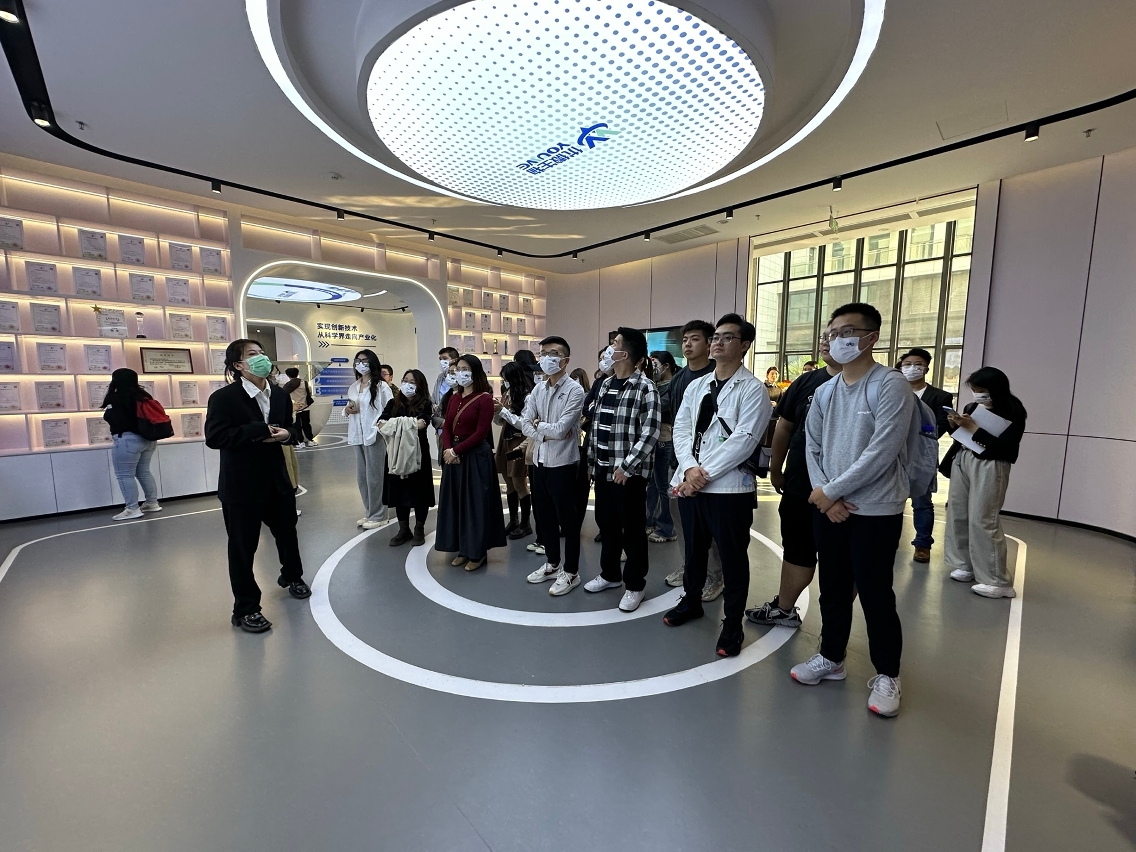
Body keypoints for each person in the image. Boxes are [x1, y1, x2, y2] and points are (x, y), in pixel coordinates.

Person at [793, 302, 913, 719]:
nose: (836, 339)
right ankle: (831, 657)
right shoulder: (826, 391)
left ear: (871, 337)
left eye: (847, 332)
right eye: (832, 332)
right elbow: (811, 445)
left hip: (876, 510)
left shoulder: (890, 385)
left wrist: (830, 491)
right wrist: (825, 494)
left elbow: (883, 450)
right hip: (831, 507)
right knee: (833, 587)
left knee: (876, 593)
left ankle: (888, 674)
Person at [662, 315, 771, 656]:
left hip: (729, 490)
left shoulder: (753, 389)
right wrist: (689, 468)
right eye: (716, 337)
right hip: (692, 485)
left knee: (733, 559)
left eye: (727, 338)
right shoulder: (697, 386)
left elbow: (745, 439)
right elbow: (682, 429)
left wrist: (700, 474)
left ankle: (733, 624)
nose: (718, 343)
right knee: (694, 552)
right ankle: (691, 601)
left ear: (744, 345)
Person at [205, 338, 309, 634]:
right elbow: (215, 437)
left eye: (262, 353)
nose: (261, 358)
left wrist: (286, 435)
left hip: (277, 479)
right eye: (253, 354)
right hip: (241, 485)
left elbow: (291, 428)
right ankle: (246, 608)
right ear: (239, 365)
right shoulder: (224, 398)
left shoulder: (279, 395)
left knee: (287, 533)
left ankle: (292, 576)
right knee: (243, 547)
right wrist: (257, 430)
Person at [746, 324, 841, 629]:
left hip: (846, 495)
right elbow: (784, 426)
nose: (827, 342)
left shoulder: (876, 385)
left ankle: (835, 632)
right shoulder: (807, 382)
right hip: (800, 485)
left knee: (840, 561)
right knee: (797, 548)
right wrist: (776, 469)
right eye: (825, 336)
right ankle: (784, 609)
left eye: (838, 336)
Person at [584, 327, 661, 612]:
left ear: (625, 353)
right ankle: (610, 574)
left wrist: (627, 467)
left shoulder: (645, 388)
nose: (609, 348)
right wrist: (592, 463)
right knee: (607, 525)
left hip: (628, 475)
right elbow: (596, 427)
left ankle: (635, 585)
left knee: (633, 531)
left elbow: (650, 433)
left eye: (614, 344)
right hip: (603, 470)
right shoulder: (605, 384)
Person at [507, 336, 586, 595]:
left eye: (553, 353)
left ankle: (571, 571)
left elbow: (561, 429)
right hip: (539, 462)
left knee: (568, 521)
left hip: (563, 463)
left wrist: (538, 426)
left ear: (565, 360)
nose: (546, 358)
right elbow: (524, 423)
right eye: (543, 353)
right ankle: (552, 563)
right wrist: (544, 431)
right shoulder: (538, 389)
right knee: (545, 517)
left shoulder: (574, 390)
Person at [945, 367, 1027, 598]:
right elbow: (963, 434)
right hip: (964, 457)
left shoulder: (1013, 409)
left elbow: (1007, 446)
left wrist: (974, 428)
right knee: (958, 512)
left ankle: (997, 580)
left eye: (981, 389)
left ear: (995, 388)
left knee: (983, 517)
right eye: (974, 389)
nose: (977, 393)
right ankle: (966, 564)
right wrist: (956, 424)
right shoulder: (973, 407)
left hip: (991, 462)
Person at [664, 319, 724, 601]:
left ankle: (714, 575)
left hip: (709, 467)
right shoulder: (678, 380)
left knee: (708, 526)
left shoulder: (717, 375)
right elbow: (678, 424)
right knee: (681, 519)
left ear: (710, 343)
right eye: (685, 339)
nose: (687, 344)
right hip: (680, 462)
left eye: (695, 339)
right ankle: (690, 566)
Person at [436, 355, 507, 571]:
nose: (460, 373)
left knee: (475, 506)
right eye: (458, 369)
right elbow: (447, 426)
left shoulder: (484, 399)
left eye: (465, 368)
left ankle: (477, 552)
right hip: (455, 457)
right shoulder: (454, 397)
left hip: (475, 457)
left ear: (475, 371)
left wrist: (455, 450)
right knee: (457, 504)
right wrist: (448, 449)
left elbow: (481, 433)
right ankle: (462, 549)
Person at [896, 348, 954, 563]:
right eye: (907, 364)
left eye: (917, 364)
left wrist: (916, 432)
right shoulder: (893, 391)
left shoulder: (940, 396)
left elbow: (939, 426)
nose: (912, 368)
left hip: (922, 455)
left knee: (922, 502)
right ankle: (888, 539)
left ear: (926, 368)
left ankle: (923, 544)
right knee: (890, 499)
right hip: (894, 454)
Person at [379, 369, 436, 547]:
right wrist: (407, 424)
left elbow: (422, 423)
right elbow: (381, 423)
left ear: (420, 386)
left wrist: (395, 424)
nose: (407, 385)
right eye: (405, 380)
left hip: (418, 452)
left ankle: (419, 528)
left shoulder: (425, 403)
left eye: (412, 382)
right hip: (396, 453)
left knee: (419, 491)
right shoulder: (393, 403)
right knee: (398, 489)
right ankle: (403, 529)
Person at [101, 368, 161, 520]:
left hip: (127, 440)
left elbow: (110, 417)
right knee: (144, 472)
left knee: (124, 475)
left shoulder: (116, 398)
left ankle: (132, 508)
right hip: (148, 439)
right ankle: (152, 503)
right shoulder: (143, 396)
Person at [347, 348, 394, 530]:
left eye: (365, 361)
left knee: (375, 477)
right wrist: (347, 410)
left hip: (374, 436)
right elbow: (351, 406)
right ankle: (369, 512)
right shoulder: (354, 386)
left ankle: (379, 515)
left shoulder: (381, 386)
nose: (361, 364)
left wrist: (380, 426)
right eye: (358, 361)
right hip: (357, 435)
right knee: (362, 478)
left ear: (372, 363)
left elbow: (391, 408)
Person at [494, 361, 535, 539]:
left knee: (519, 483)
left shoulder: (527, 397)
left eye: (506, 378)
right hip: (505, 439)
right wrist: (496, 411)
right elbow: (499, 421)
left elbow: (523, 424)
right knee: (508, 482)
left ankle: (525, 524)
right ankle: (513, 520)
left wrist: (503, 411)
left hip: (519, 440)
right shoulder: (507, 393)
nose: (504, 382)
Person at [577, 347, 613, 536]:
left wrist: (597, 411)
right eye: (600, 358)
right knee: (587, 482)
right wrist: (597, 412)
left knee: (607, 489)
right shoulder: (600, 381)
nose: (603, 361)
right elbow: (587, 405)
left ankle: (608, 529)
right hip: (593, 438)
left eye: (606, 357)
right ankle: (578, 525)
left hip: (612, 443)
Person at [646, 350, 679, 544]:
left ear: (666, 366)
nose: (652, 368)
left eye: (655, 364)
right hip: (653, 437)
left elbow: (660, 407)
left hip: (665, 437)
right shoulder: (654, 385)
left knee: (663, 485)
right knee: (652, 484)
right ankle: (650, 521)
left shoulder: (673, 385)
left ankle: (667, 528)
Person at [433, 347, 459, 463]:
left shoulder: (461, 383)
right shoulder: (440, 378)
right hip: (441, 428)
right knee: (444, 460)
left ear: (454, 359)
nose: (441, 362)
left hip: (457, 432)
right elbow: (433, 400)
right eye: (440, 359)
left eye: (444, 358)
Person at [284, 367, 314, 447]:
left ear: (288, 375)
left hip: (294, 408)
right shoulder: (304, 383)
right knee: (306, 424)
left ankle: (300, 442)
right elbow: (309, 392)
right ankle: (310, 440)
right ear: (297, 374)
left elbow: (284, 395)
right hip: (305, 407)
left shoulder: (287, 385)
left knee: (297, 426)